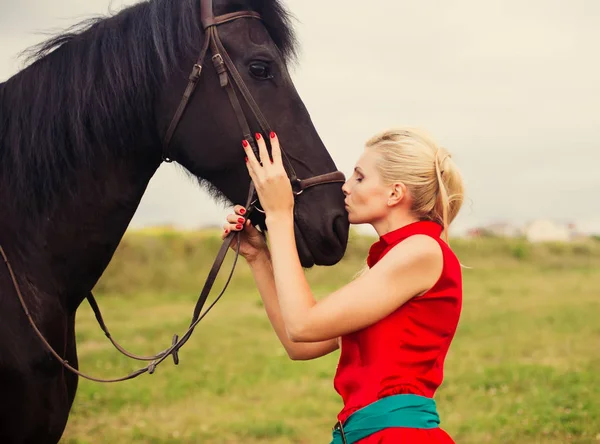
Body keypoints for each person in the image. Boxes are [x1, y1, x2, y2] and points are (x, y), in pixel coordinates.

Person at [222, 128, 465, 443]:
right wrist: (258, 257)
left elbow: (302, 324)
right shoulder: (393, 259)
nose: (346, 188)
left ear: (395, 193)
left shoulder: (422, 251)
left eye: (360, 177)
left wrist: (280, 213)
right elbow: (301, 345)